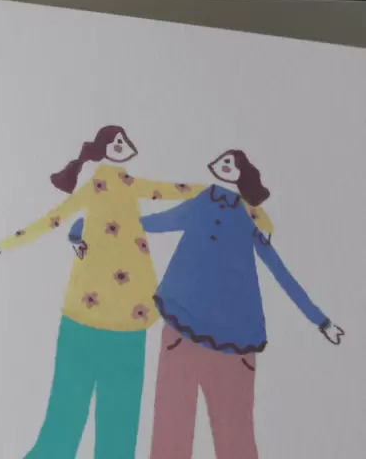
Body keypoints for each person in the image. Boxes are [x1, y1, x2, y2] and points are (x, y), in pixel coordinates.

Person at [71, 149, 343, 459]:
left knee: (235, 438)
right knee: (170, 434)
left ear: (242, 174)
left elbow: (279, 270)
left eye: (231, 163)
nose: (224, 166)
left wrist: (320, 320)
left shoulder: (251, 219)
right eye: (223, 161)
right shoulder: (203, 202)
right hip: (181, 327)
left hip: (235, 339)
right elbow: (156, 221)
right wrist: (96, 226)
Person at [0, 125, 214, 459]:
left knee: (116, 418)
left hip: (128, 316)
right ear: (102, 149)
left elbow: (165, 190)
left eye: (124, 141)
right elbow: (55, 218)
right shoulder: (94, 186)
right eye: (116, 142)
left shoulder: (128, 184)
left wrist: (207, 190)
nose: (123, 146)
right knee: (71, 409)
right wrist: (7, 243)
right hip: (88, 312)